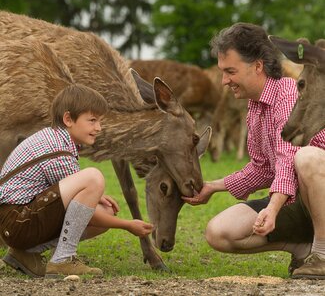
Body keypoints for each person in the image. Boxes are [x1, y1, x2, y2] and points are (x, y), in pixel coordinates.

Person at [183, 22, 325, 279]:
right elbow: (261, 168)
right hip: (299, 202)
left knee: (306, 157)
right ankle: (304, 248)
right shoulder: (256, 106)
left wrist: (271, 209)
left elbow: (286, 160)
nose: (225, 81)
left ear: (257, 66)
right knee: (219, 231)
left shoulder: (288, 93)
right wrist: (213, 186)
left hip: (317, 194)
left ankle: (323, 255)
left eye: (230, 71)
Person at [0, 84, 153, 278]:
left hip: (18, 221)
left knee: (103, 209)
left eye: (99, 121)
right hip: (17, 221)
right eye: (92, 120)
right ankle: (63, 259)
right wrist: (126, 224)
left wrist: (96, 197)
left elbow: (72, 203)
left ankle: (25, 254)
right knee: (93, 177)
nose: (98, 128)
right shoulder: (58, 150)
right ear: (68, 119)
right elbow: (83, 210)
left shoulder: (56, 139)